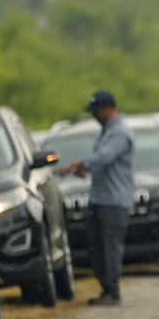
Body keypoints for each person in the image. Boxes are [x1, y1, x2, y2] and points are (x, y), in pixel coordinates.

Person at [58, 89, 134, 306]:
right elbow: (102, 162)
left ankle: (112, 292)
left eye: (95, 111)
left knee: (110, 249)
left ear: (107, 109)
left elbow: (105, 157)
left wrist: (81, 164)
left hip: (114, 201)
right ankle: (106, 289)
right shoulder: (105, 130)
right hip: (100, 199)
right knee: (96, 247)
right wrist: (85, 169)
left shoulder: (120, 132)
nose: (93, 115)